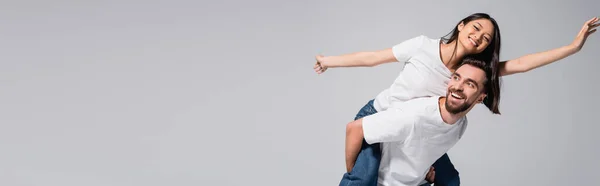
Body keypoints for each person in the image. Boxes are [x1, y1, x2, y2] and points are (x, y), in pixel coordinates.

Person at [313, 13, 599, 186]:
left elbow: (522, 63)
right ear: (462, 25)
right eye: (475, 29)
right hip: (380, 117)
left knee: (449, 180)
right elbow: (373, 58)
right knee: (362, 181)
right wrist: (328, 61)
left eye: (486, 38)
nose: (479, 37)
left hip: (419, 131)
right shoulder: (423, 46)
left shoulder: (472, 71)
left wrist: (573, 48)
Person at [345, 58, 494, 186]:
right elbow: (355, 129)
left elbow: (425, 148)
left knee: (451, 181)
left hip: (416, 181)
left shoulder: (461, 124)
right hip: (385, 183)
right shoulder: (414, 116)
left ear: (481, 98)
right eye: (456, 77)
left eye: (470, 84)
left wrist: (424, 172)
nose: (458, 87)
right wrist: (356, 174)